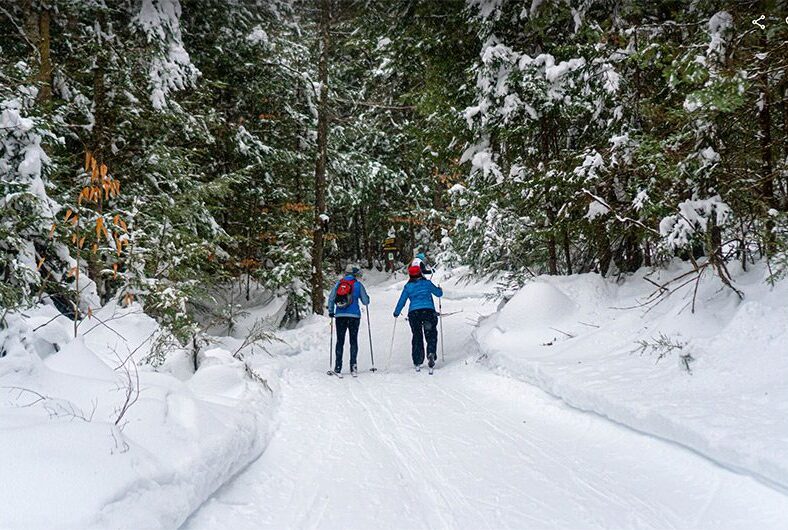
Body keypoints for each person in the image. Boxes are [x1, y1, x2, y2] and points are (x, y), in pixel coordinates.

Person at [393, 264, 443, 371]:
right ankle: (431, 353)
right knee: (431, 334)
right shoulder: (427, 283)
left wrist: (396, 312)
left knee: (417, 335)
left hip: (414, 313)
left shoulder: (408, 287)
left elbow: (402, 301)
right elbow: (439, 294)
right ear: (420, 273)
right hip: (428, 312)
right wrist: (439, 289)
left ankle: (417, 360)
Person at [327, 264, 370, 376]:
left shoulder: (338, 284)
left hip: (340, 316)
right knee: (353, 341)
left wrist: (331, 311)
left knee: (340, 341)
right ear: (355, 274)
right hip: (354, 316)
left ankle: (337, 367)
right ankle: (353, 367)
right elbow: (365, 301)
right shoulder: (357, 285)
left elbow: (331, 298)